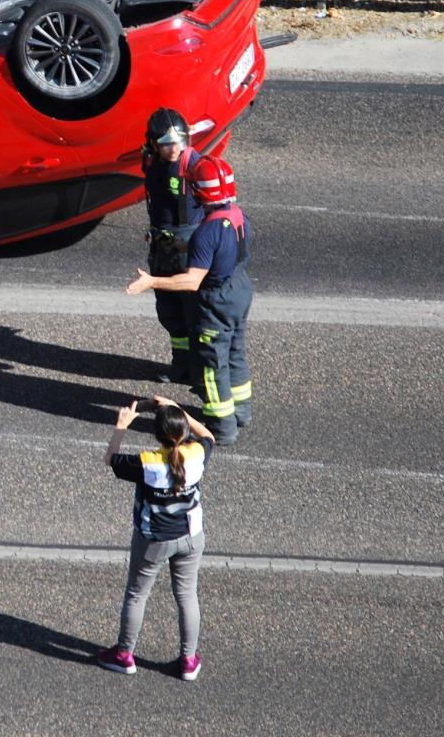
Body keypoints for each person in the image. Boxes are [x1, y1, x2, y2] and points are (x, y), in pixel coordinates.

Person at [125, 154, 252, 443]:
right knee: (235, 351)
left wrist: (152, 281)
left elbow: (192, 280)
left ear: (198, 191)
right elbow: (223, 252)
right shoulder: (239, 217)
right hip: (240, 290)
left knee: (211, 364)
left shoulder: (207, 231)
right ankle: (242, 411)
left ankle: (221, 427)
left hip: (215, 300)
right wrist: (181, 244)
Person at [95, 396, 216, 682]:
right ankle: (188, 659)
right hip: (190, 535)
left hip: (154, 540)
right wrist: (178, 408)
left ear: (157, 436)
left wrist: (122, 426)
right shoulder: (197, 455)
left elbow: (110, 459)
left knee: (137, 594)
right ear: (184, 431)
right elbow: (209, 435)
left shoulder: (146, 463)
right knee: (186, 595)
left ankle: (125, 654)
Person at [139, 108, 201, 383]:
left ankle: (200, 367)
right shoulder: (151, 162)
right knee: (169, 310)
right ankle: (181, 363)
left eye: (179, 142)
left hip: (187, 250)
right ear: (153, 144)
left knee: (193, 311)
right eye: (166, 144)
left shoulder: (194, 166)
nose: (174, 149)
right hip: (162, 248)